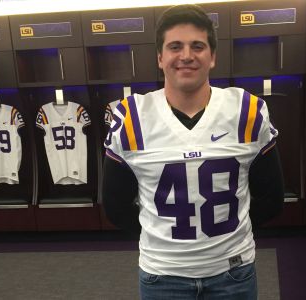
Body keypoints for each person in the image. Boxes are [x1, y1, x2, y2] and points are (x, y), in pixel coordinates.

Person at [102, 4, 284, 299]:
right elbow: (115, 205)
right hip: (163, 275)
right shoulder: (131, 118)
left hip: (232, 271)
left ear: (212, 57)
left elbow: (272, 198)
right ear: (160, 58)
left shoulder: (247, 111)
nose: (186, 55)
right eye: (175, 46)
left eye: (197, 46)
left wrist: (227, 238)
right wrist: (162, 240)